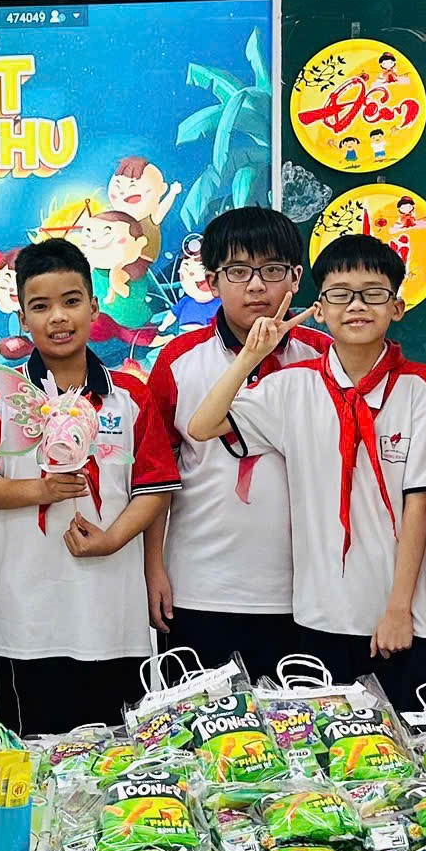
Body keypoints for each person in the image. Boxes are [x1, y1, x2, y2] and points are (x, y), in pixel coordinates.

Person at [184, 234, 426, 708]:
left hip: (403, 617)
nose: (356, 306)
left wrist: (399, 608)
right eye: (340, 295)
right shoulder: (293, 387)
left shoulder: (416, 386)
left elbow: (419, 503)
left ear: (398, 307)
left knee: (409, 745)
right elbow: (203, 426)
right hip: (321, 613)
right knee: (329, 746)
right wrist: (252, 356)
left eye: (373, 293)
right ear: (320, 310)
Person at [0, 237, 179, 734]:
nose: (58, 317)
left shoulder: (129, 395)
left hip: (115, 617)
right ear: (22, 318)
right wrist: (40, 490)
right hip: (30, 621)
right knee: (36, 755)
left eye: (71, 301)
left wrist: (113, 540)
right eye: (40, 306)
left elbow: (155, 489)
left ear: (94, 307)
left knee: (121, 758)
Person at [141, 206, 325, 683]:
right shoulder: (178, 360)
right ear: (212, 281)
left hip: (304, 592)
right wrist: (154, 568)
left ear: (296, 278)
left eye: (272, 270)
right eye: (239, 271)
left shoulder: (325, 358)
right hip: (200, 587)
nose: (257, 286)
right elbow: (156, 478)